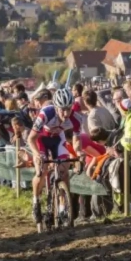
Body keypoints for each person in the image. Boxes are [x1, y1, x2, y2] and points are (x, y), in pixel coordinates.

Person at [27, 88, 84, 225]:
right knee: (42, 170)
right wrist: (37, 154)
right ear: (56, 107)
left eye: (68, 109)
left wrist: (79, 153)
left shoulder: (76, 118)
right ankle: (36, 202)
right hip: (41, 141)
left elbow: (76, 141)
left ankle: (63, 207)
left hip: (58, 140)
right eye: (62, 109)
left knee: (64, 169)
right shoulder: (46, 114)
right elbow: (31, 139)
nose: (65, 113)